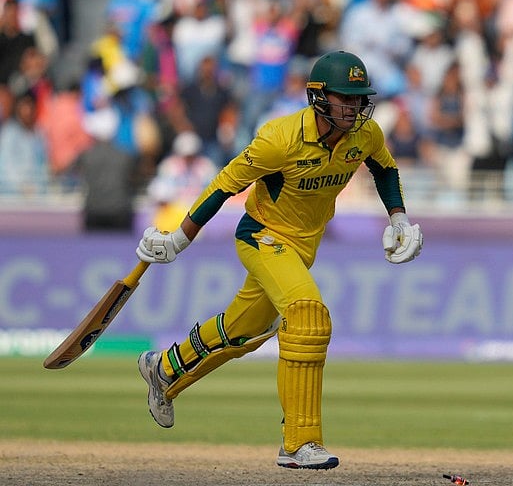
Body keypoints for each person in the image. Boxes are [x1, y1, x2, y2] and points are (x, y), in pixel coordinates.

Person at [134, 50, 423, 470]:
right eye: (345, 97)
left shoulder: (365, 135)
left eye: (360, 98)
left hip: (302, 247)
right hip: (262, 236)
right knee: (307, 314)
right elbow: (224, 185)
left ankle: (162, 369)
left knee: (242, 332)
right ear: (318, 97)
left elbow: (384, 169)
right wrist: (179, 239)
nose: (354, 107)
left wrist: (399, 218)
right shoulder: (279, 139)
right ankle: (299, 443)